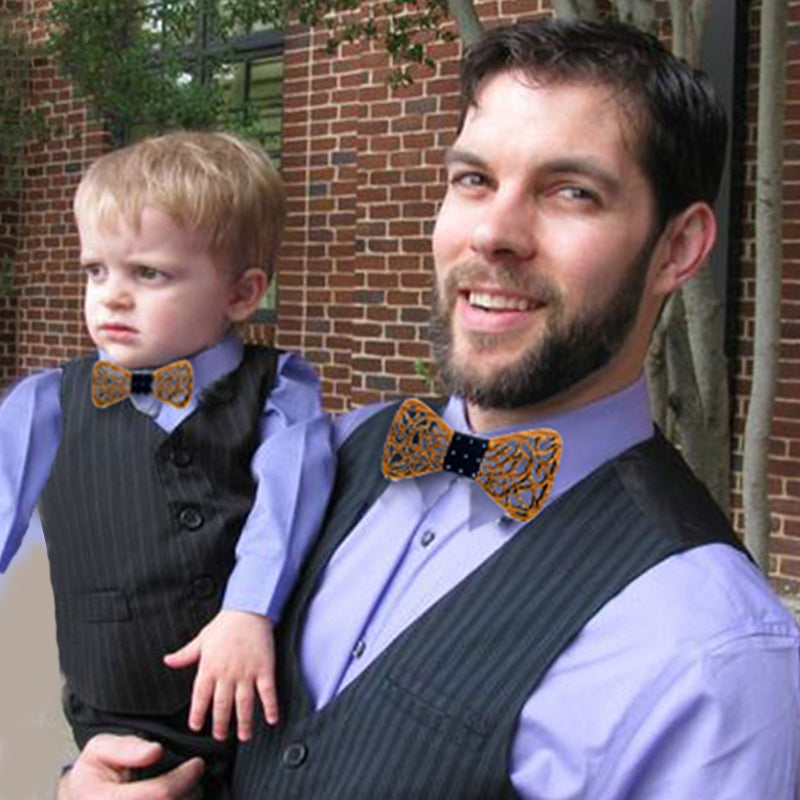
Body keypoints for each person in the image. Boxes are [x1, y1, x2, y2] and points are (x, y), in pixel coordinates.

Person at [59, 17, 800, 800]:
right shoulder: (330, 453)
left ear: (678, 248)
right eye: (474, 180)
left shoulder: (709, 655)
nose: (494, 233)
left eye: (572, 192)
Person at [0, 131, 335, 796]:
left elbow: (288, 501)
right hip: (112, 713)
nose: (111, 297)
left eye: (148, 273)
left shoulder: (279, 389)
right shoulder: (48, 401)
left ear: (242, 294)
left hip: (254, 707)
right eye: (96, 270)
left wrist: (248, 610)